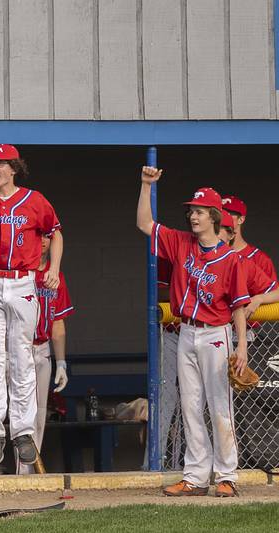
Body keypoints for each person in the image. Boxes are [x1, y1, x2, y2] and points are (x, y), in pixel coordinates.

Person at [136, 167, 250, 498]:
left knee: (219, 405)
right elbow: (145, 224)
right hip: (186, 331)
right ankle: (196, 477)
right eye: (191, 211)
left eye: (199, 211)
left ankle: (227, 475)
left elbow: (240, 306)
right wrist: (146, 186)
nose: (192, 216)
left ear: (215, 217)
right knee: (190, 405)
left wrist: (241, 346)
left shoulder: (231, 259)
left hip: (216, 333)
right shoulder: (181, 242)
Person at [0, 144, 63, 471]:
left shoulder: (35, 200)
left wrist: (54, 270)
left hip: (23, 281)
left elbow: (56, 234)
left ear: (14, 168)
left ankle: (22, 431)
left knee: (22, 355)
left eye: (1, 163)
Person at [17, 235, 74, 475]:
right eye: (37, 235)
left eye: (46, 237)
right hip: (19, 347)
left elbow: (58, 324)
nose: (41, 241)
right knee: (21, 411)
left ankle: (29, 472)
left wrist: (61, 362)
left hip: (43, 349)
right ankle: (20, 472)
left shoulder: (55, 276)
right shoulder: (19, 272)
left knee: (39, 414)